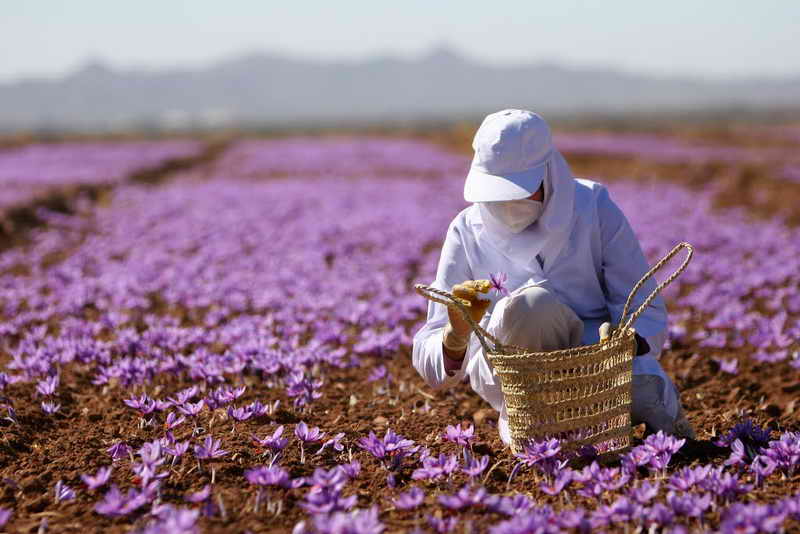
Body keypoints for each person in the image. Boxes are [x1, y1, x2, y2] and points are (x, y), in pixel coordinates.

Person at [411, 109, 694, 448]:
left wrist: (627, 340)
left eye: (519, 191)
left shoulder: (593, 207)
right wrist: (454, 338)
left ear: (549, 173)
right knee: (530, 307)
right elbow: (430, 355)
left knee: (645, 394)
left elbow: (642, 303)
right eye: (496, 194)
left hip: (597, 362)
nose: (507, 205)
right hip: (518, 376)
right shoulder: (465, 229)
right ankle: (537, 419)